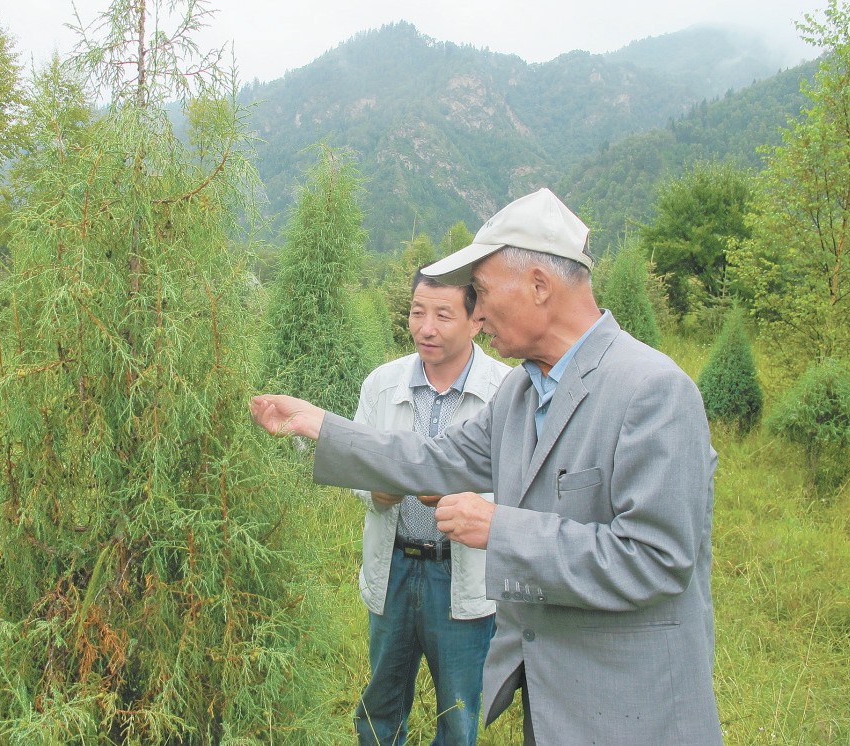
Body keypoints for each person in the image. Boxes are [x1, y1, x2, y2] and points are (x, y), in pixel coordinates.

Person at [251, 188, 722, 746]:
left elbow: (657, 558)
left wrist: (501, 530)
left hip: (633, 712)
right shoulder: (522, 392)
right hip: (552, 705)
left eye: (481, 293)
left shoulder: (653, 391)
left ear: (539, 286)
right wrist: (321, 426)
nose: (476, 313)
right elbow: (436, 458)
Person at [351, 267, 510, 746]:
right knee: (381, 701)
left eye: (443, 315)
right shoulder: (382, 384)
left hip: (459, 574)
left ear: (476, 319)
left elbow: (520, 488)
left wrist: (462, 499)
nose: (426, 327)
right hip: (396, 563)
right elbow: (357, 465)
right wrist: (375, 492)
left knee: (458, 712)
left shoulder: (507, 391)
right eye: (418, 312)